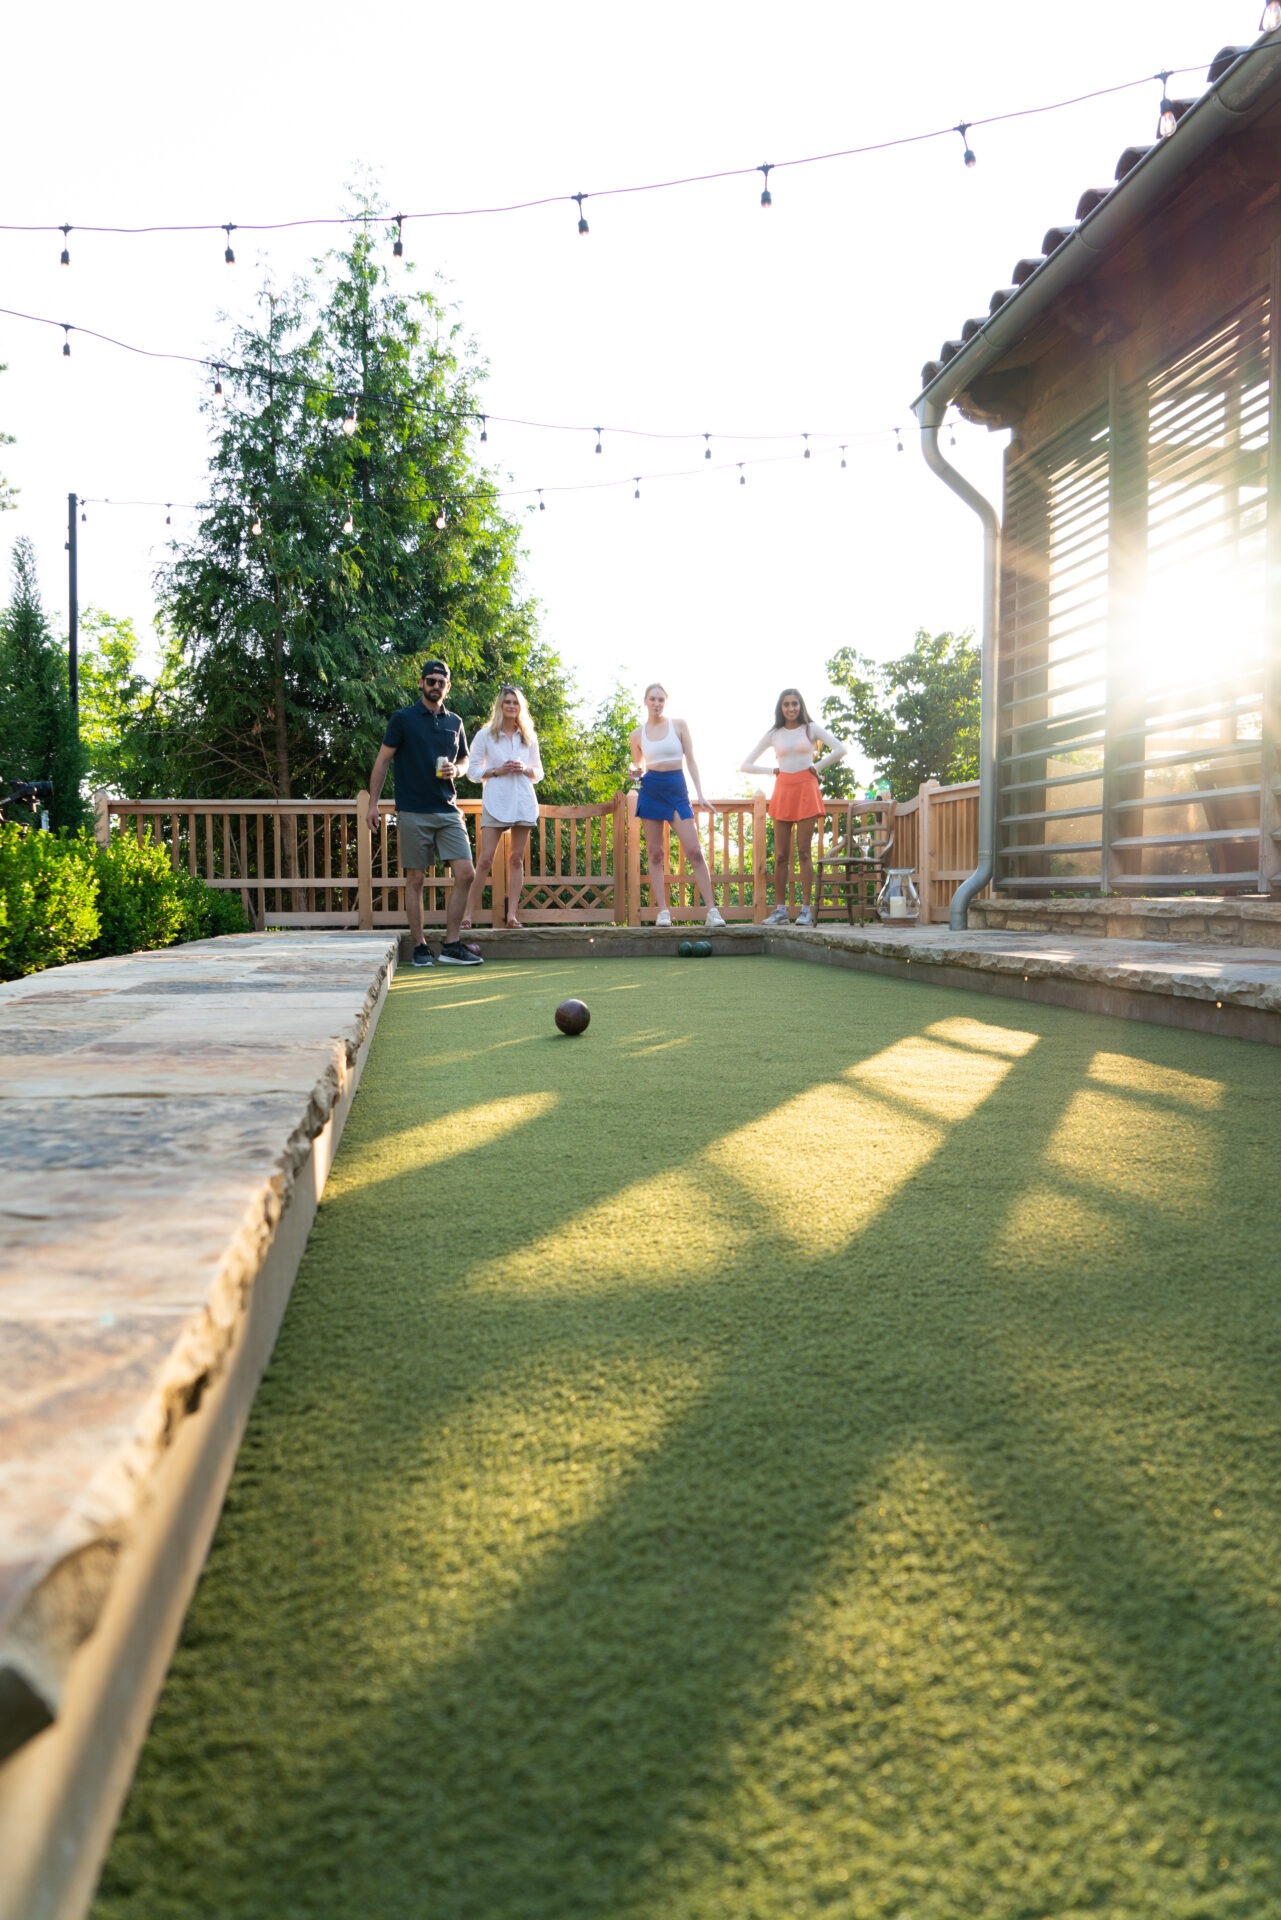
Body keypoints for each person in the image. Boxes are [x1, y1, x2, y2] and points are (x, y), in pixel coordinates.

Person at [366, 658, 482, 967]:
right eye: (430, 681)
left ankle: (451, 943)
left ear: (447, 686)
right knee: (416, 878)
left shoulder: (454, 722)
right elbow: (382, 761)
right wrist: (373, 804)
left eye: (440, 682)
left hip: (447, 810)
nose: (435, 686)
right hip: (413, 810)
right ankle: (419, 946)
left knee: (466, 873)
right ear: (421, 683)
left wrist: (455, 771)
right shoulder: (403, 719)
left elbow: (465, 761)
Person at [740, 689, 846, 927]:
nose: (791, 708)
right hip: (784, 788)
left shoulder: (810, 728)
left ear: (800, 705)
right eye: (786, 704)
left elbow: (840, 749)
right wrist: (773, 771)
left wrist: (817, 766)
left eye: (795, 704)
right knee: (780, 855)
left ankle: (806, 910)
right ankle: (780, 911)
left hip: (807, 788)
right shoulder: (774, 734)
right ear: (781, 708)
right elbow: (745, 764)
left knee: (805, 851)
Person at [628, 683, 723, 929]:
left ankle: (712, 910)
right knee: (655, 853)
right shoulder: (637, 735)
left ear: (665, 702)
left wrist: (700, 794)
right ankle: (663, 912)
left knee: (694, 850)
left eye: (660, 699)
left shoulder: (678, 725)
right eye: (652, 699)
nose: (656, 703)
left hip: (677, 788)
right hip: (651, 790)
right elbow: (638, 769)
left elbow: (691, 759)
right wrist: (633, 778)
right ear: (645, 701)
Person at [461, 685, 543, 930]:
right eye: (507, 702)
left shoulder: (528, 736)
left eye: (515, 702)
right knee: (485, 860)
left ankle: (511, 916)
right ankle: (467, 915)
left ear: (520, 707)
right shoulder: (486, 735)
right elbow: (473, 772)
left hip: (523, 801)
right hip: (496, 802)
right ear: (500, 705)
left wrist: (524, 769)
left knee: (516, 859)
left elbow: (538, 772)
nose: (511, 706)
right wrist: (497, 771)